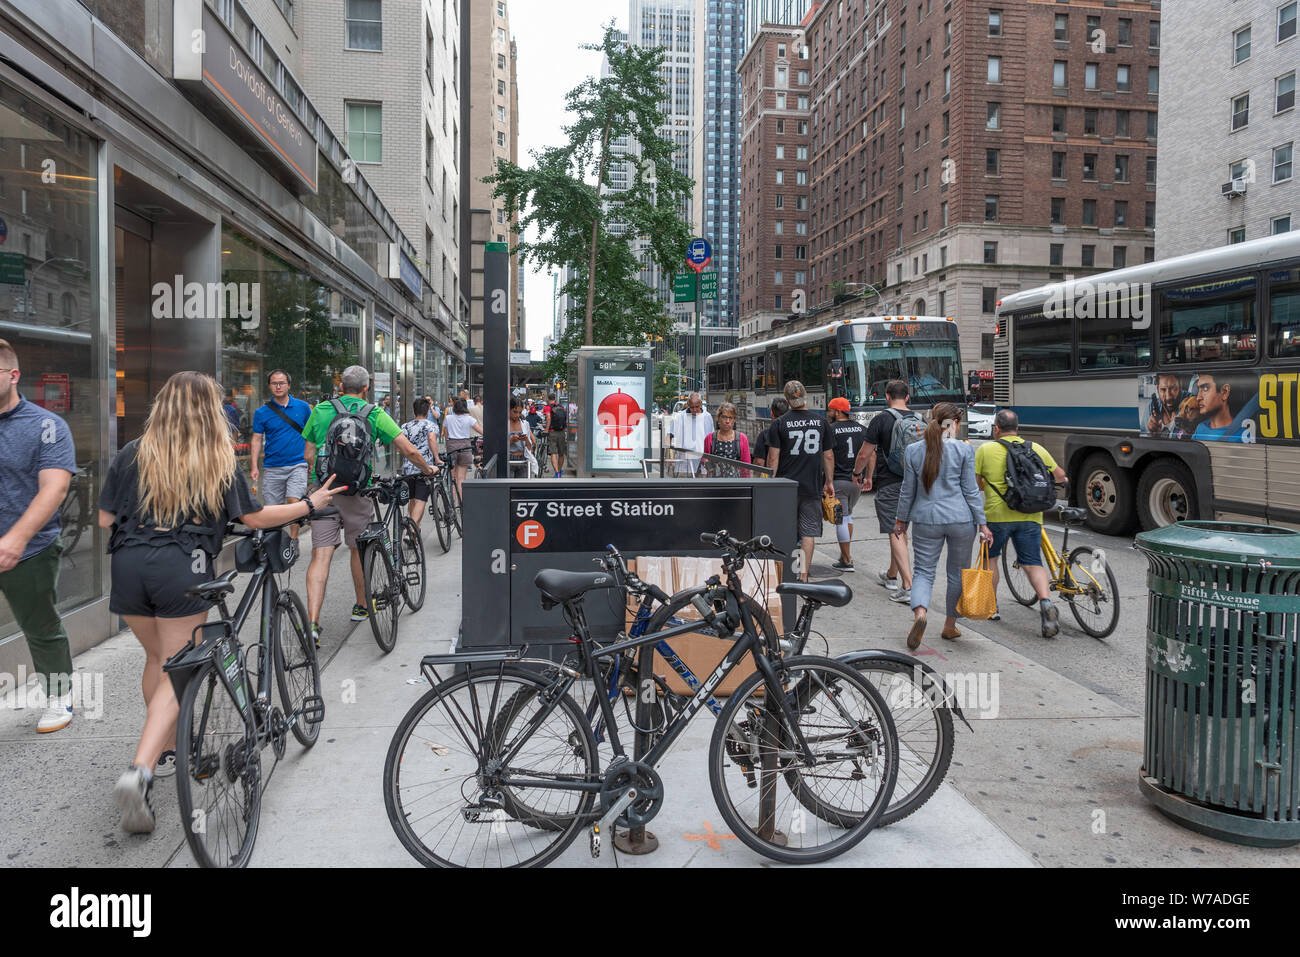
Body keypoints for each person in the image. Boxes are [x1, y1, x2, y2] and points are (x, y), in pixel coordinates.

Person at [97, 371, 347, 833]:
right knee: (182, 669)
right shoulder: (215, 457)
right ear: (209, 409)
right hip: (180, 566)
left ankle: (172, 746)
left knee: (158, 659)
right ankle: (141, 770)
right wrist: (308, 506)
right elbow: (253, 515)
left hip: (127, 563)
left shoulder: (133, 452)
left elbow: (104, 518)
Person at [301, 366, 436, 647]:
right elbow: (408, 448)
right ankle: (362, 606)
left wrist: (319, 482)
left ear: (340, 386)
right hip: (357, 492)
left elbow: (309, 454)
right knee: (358, 548)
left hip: (324, 491)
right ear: (366, 388)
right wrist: (428, 468)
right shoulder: (373, 413)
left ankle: (312, 623)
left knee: (320, 556)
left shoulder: (321, 410)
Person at [0, 339, 77, 734]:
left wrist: (15, 538)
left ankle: (59, 694)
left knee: (42, 628)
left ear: (13, 376)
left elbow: (54, 489)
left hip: (29, 549)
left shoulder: (46, 426)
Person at [894, 402, 993, 650]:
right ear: (955, 423)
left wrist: (900, 520)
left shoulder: (914, 450)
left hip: (926, 519)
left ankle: (920, 615)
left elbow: (907, 491)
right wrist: (982, 524)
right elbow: (971, 491)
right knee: (957, 574)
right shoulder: (963, 450)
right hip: (961, 519)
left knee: (923, 572)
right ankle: (949, 626)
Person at [975, 409, 1068, 638]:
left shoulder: (985, 449)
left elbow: (977, 485)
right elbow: (1060, 476)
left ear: (996, 428)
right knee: (1032, 562)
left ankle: (992, 607)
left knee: (991, 559)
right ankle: (1046, 603)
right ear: (1018, 428)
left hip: (997, 517)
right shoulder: (1035, 448)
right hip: (1030, 515)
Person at [765, 381, 835, 583]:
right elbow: (828, 456)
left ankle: (784, 572)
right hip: (811, 486)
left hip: (786, 487)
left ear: (787, 401)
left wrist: (770, 482)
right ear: (805, 396)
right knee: (808, 532)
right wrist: (828, 481)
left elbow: (773, 459)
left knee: (786, 530)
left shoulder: (779, 424)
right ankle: (802, 575)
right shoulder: (821, 422)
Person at [862, 380, 916, 604]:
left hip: (889, 482)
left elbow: (865, 454)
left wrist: (858, 474)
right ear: (908, 397)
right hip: (914, 483)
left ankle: (908, 586)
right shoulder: (919, 419)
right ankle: (891, 575)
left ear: (886, 396)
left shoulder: (881, 419)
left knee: (896, 531)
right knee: (901, 531)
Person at [250, 369, 312, 540]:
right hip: (272, 466)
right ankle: (275, 542)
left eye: (281, 383)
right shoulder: (262, 412)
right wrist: (254, 465)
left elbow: (310, 435)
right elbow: (256, 439)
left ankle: (293, 540)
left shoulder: (303, 407)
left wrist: (310, 460)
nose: (278, 386)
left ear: (289, 385)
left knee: (293, 502)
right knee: (273, 508)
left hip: (297, 464)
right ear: (270, 386)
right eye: (274, 383)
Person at [827, 396, 870, 572]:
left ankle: (846, 560)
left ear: (837, 412)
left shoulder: (830, 430)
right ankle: (845, 554)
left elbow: (827, 456)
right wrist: (869, 476)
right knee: (848, 516)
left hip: (839, 480)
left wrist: (827, 480)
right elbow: (871, 454)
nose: (828, 413)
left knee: (841, 520)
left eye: (830, 410)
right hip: (857, 482)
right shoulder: (862, 429)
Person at [400, 397, 443, 527]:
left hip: (408, 467)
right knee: (421, 500)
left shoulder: (405, 426)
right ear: (427, 412)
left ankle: (414, 528)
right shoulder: (431, 425)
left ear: (414, 411)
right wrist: (437, 458)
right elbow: (431, 438)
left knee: (412, 499)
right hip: (424, 467)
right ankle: (412, 530)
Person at [444, 396, 482, 497]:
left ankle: (451, 503)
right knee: (461, 478)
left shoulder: (448, 418)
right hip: (465, 446)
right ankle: (461, 505)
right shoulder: (469, 419)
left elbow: (445, 433)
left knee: (452, 478)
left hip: (452, 446)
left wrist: (449, 441)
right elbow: (481, 431)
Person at [1191, 373, 1247, 442]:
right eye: (1198, 389)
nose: (1198, 397)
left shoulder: (1243, 434)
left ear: (1224, 392)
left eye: (1205, 388)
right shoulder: (1200, 428)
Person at [669, 392, 714, 476]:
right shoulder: (679, 417)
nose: (694, 410)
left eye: (697, 407)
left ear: (700, 403)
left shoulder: (707, 417)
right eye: (692, 407)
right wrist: (669, 458)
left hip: (702, 460)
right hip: (684, 461)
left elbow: (711, 438)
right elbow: (669, 436)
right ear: (688, 404)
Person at [702, 401, 751, 477]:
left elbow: (747, 467)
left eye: (730, 418)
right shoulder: (710, 438)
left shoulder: (742, 439)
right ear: (718, 418)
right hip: (715, 483)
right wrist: (709, 467)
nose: (727, 421)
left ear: (734, 420)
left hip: (736, 484)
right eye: (724, 417)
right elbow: (704, 459)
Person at [751, 396, 788, 468]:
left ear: (771, 413)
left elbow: (759, 462)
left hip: (773, 477)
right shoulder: (794, 433)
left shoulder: (764, 435)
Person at [507, 398, 535, 478]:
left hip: (523, 459)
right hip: (509, 459)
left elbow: (529, 447)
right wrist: (511, 440)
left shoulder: (525, 424)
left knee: (521, 488)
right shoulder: (504, 424)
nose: (517, 415)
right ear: (508, 409)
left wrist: (526, 439)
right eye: (515, 412)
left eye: (520, 412)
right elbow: (499, 446)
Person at [543, 391, 567, 477]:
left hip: (552, 432)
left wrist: (546, 430)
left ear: (548, 399)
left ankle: (556, 473)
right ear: (555, 399)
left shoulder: (547, 407)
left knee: (553, 453)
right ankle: (559, 472)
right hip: (561, 432)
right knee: (561, 453)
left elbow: (548, 418)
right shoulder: (561, 407)